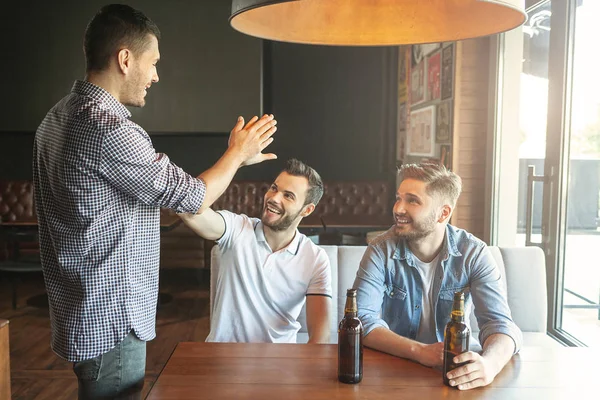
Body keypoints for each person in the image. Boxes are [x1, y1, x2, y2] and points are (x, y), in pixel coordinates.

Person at [32, 4, 277, 399]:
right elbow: (194, 197)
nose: (156, 75)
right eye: (154, 62)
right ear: (125, 59)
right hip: (111, 318)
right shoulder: (109, 128)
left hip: (80, 310)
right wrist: (237, 152)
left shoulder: (56, 118)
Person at [354, 163, 522, 391]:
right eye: (398, 198)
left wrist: (490, 366)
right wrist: (420, 352)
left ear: (443, 213)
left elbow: (500, 323)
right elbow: (362, 319)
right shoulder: (380, 250)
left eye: (412, 200)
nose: (398, 209)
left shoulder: (474, 253)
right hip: (396, 367)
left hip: (454, 372)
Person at [179, 159, 332, 344]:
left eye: (288, 196)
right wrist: (236, 161)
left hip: (279, 362)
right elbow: (187, 209)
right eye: (274, 188)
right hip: (220, 358)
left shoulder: (315, 259)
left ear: (307, 210)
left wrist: (305, 370)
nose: (274, 198)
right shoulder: (237, 228)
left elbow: (320, 337)